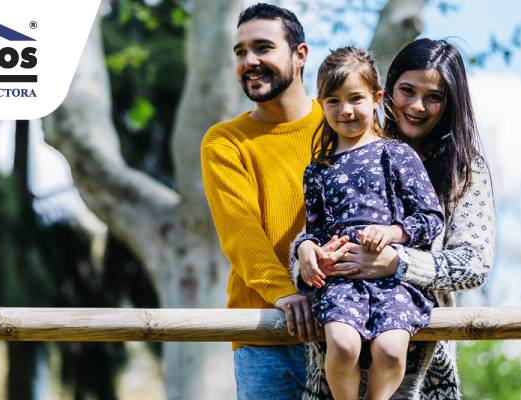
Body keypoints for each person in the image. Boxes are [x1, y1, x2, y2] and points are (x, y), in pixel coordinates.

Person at [293, 38, 495, 399]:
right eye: (407, 91)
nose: (417, 106)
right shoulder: (339, 157)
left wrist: (396, 262)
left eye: (434, 96)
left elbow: (475, 264)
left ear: (450, 102)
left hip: (418, 363)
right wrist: (304, 252)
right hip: (336, 355)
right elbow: (315, 228)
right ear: (386, 92)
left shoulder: (465, 170)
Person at [200, 3, 342, 399]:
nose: (250, 61)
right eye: (241, 52)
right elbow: (240, 234)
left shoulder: (341, 124)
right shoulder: (225, 141)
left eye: (263, 48)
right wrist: (284, 292)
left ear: (300, 55)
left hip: (346, 331)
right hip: (265, 335)